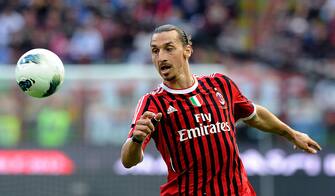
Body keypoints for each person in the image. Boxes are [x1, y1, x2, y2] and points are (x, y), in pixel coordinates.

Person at [120, 24, 321, 196]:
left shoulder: (220, 85)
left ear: (187, 50)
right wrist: (136, 139)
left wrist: (291, 134)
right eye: (155, 51)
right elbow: (128, 161)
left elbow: (254, 115)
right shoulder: (152, 103)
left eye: (168, 48)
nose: (161, 57)